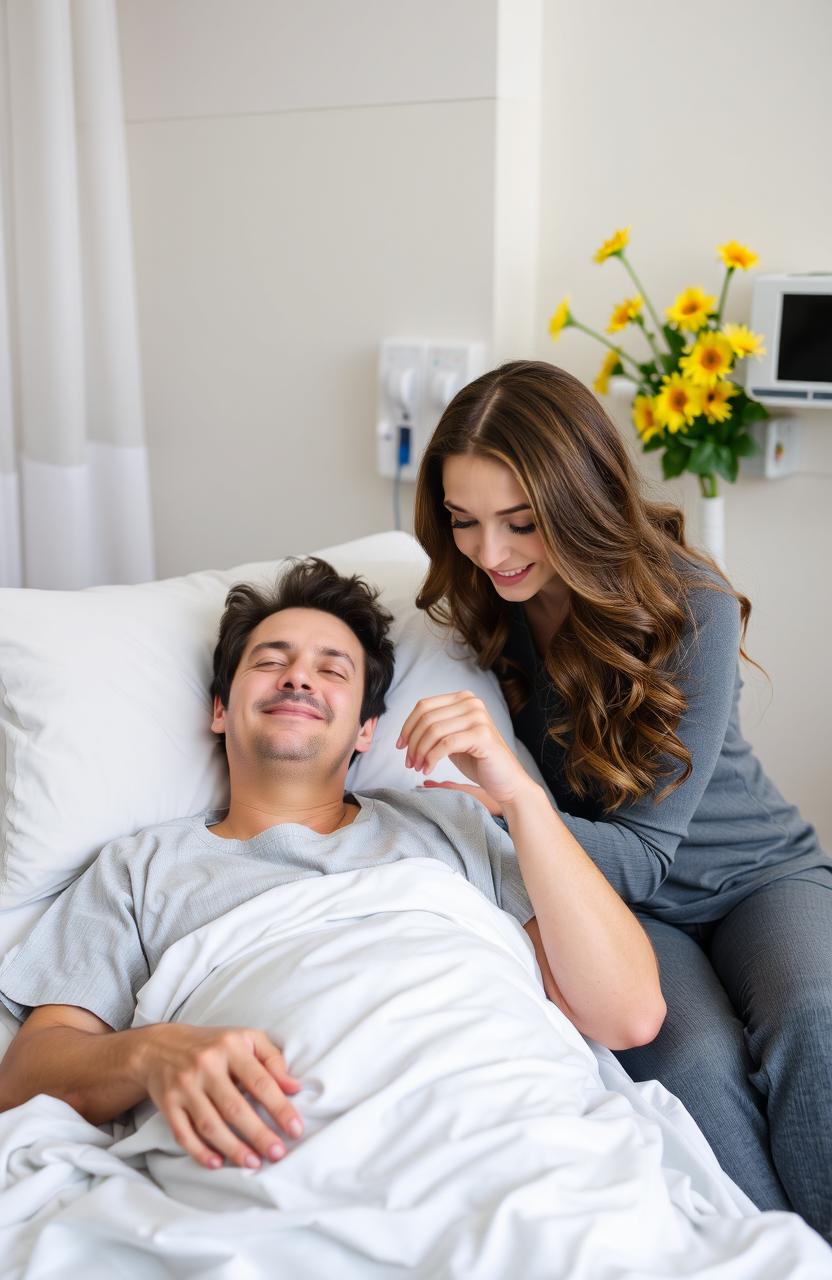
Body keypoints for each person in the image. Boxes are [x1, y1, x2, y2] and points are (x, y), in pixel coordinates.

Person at [0, 556, 665, 1175]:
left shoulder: (449, 825)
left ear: (366, 731)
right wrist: (148, 1055)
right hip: (280, 1163)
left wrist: (521, 798)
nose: (298, 677)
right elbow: (24, 1076)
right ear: (219, 710)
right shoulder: (137, 870)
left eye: (332, 669)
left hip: (510, 1142)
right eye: (270, 661)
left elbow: (627, 1015)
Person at [411, 357, 832, 1243]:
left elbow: (644, 855)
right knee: (696, 1064)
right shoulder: (481, 612)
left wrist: (512, 794)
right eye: (464, 523)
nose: (490, 554)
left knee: (814, 1019)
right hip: (624, 908)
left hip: (757, 876)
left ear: (579, 496)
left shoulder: (690, 602)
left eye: (520, 523)